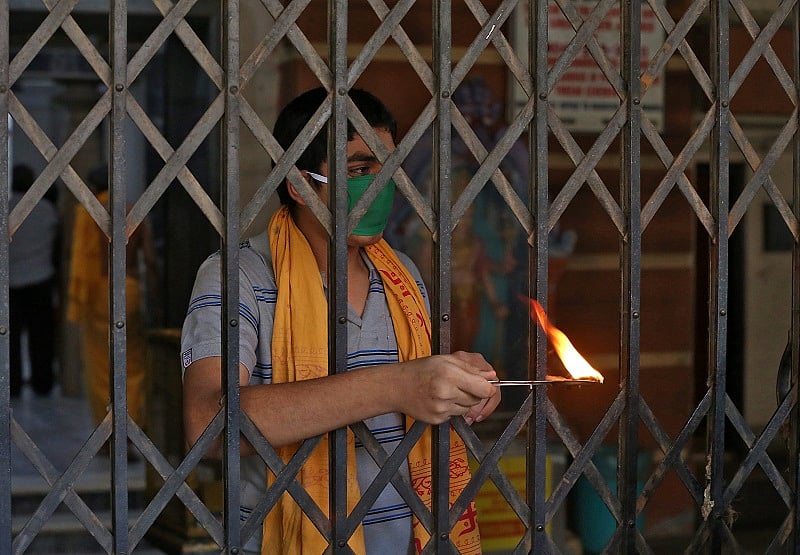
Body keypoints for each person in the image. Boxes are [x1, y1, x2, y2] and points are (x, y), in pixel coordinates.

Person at [181, 87, 501, 554]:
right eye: (358, 170)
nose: (380, 184)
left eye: (388, 168)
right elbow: (209, 427)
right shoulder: (237, 276)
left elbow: (417, 397)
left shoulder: (402, 275)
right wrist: (394, 385)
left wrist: (458, 385)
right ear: (299, 185)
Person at [65, 165, 158, 430]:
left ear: (93, 189)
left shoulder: (87, 215)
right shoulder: (132, 212)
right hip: (128, 290)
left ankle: (106, 431)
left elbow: (77, 260)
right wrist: (156, 296)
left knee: (100, 365)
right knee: (133, 362)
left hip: (97, 293)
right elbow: (150, 260)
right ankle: (131, 428)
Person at [9, 164, 60, 398]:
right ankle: (43, 382)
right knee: (42, 337)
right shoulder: (47, 210)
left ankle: (13, 384)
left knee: (10, 338)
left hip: (10, 284)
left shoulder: (6, 209)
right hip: (40, 280)